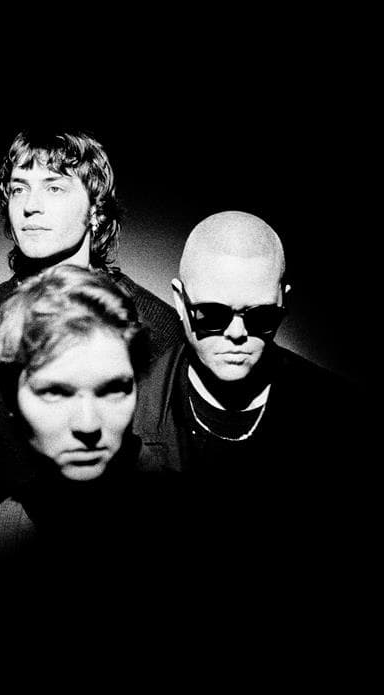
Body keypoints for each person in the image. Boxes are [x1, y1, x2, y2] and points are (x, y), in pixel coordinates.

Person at [132, 210, 366, 686]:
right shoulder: (125, 424)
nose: (237, 333)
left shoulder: (343, 423)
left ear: (284, 302)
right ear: (179, 302)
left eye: (260, 316)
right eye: (213, 314)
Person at [0, 264, 168, 691]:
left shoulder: (200, 525)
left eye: (113, 389)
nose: (88, 424)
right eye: (55, 392)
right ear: (11, 402)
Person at [0, 127, 182, 503]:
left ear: (95, 209)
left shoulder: (154, 324)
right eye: (18, 188)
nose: (31, 205)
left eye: (54, 187)